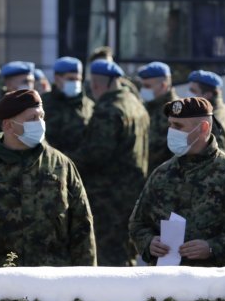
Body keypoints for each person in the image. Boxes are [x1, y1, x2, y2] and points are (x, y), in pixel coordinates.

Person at [130, 97, 225, 266]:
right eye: (171, 124)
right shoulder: (162, 173)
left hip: (214, 284)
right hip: (166, 283)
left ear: (203, 128)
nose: (172, 131)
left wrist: (212, 247)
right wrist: (149, 243)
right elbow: (137, 223)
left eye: (179, 126)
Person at [0, 89, 96, 267]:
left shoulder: (60, 165)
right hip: (0, 280)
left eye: (42, 116)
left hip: (53, 282)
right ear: (8, 125)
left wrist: (87, 283)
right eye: (32, 118)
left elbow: (82, 227)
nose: (39, 124)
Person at [69, 59, 150, 266]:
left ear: (96, 84)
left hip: (109, 196)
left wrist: (65, 163)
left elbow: (96, 154)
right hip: (132, 192)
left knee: (109, 256)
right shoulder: (135, 104)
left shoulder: (108, 109)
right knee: (126, 251)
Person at [41, 57, 94, 159]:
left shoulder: (89, 106)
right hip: (49, 163)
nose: (75, 83)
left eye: (78, 79)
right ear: (57, 78)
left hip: (80, 167)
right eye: (71, 79)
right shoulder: (43, 103)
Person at [187, 70, 225, 160]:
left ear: (208, 95)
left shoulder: (212, 121)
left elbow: (214, 160)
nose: (189, 95)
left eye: (193, 91)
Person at [138, 61, 178, 170]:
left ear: (163, 85)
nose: (143, 90)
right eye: (143, 85)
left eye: (147, 86)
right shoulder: (146, 106)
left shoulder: (176, 111)